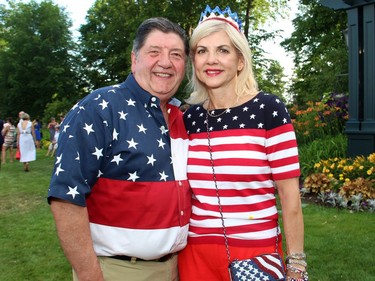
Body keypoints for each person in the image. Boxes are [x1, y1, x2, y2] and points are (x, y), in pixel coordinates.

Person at [47, 17, 191, 281]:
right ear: (134, 59)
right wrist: (90, 275)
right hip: (117, 271)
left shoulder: (182, 119)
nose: (166, 62)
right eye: (154, 52)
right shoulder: (97, 109)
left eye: (176, 55)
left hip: (176, 268)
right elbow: (65, 199)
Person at [178, 6, 307, 281]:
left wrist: (296, 264)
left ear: (240, 60)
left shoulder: (268, 110)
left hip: (256, 253)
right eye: (202, 51)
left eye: (222, 50)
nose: (211, 59)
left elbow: (289, 196)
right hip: (195, 257)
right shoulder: (190, 119)